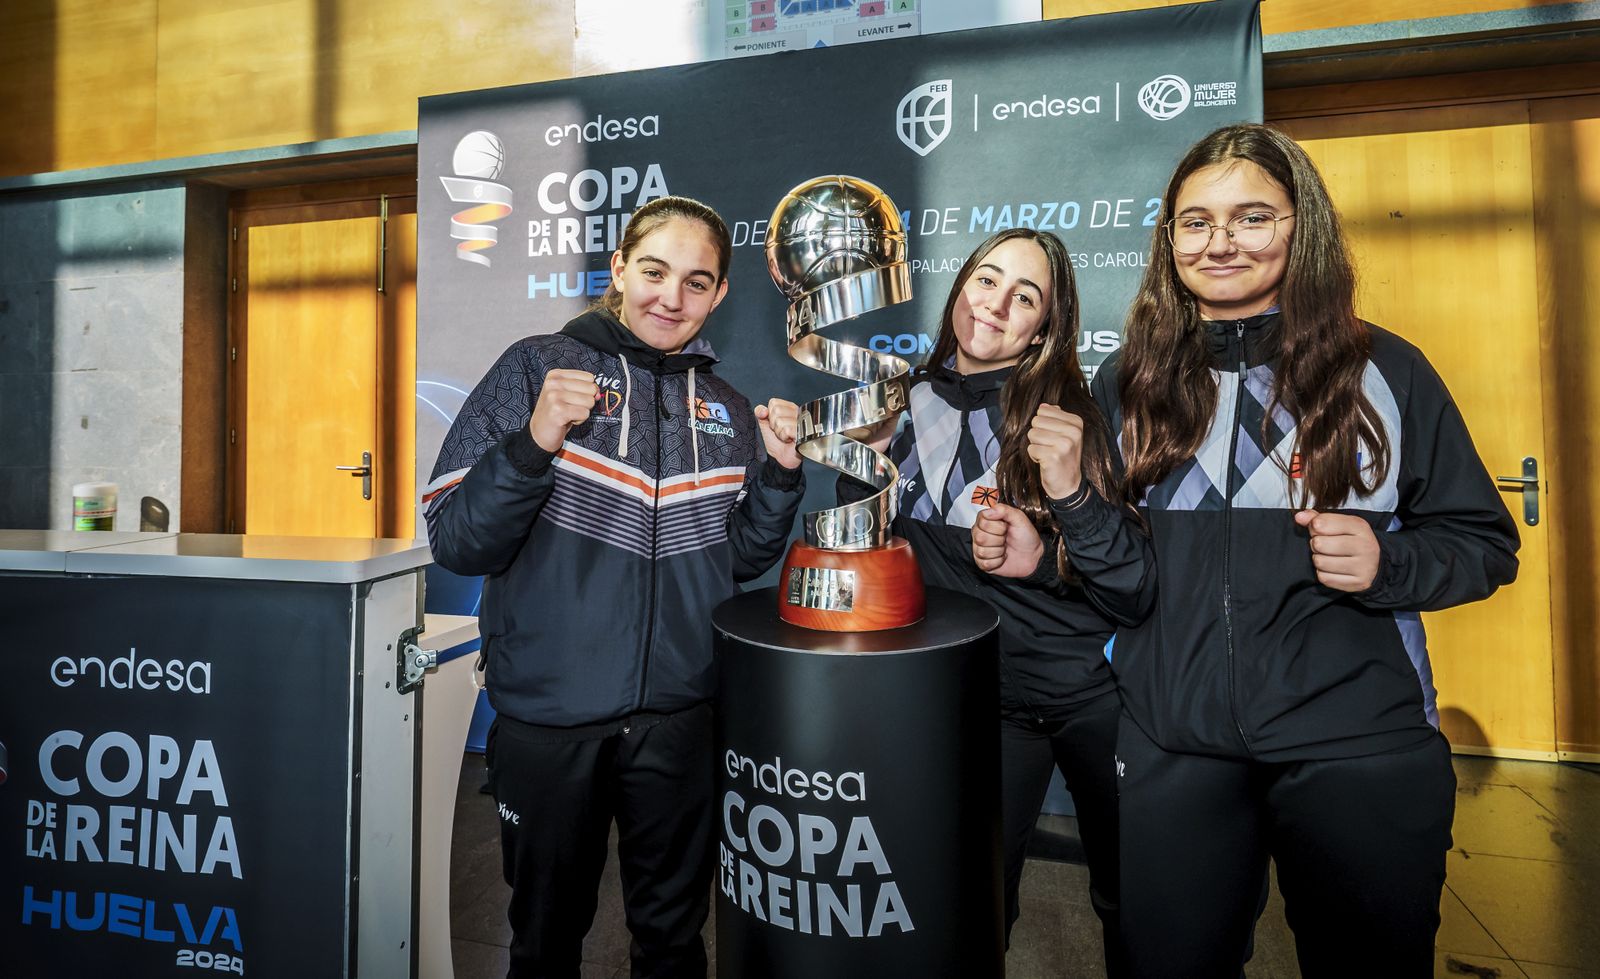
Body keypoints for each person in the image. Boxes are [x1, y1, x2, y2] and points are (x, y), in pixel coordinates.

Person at [979, 123, 1520, 977]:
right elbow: (1128, 588)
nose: (1220, 241)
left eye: (1251, 217)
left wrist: (1391, 565)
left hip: (1356, 748)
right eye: (1195, 222)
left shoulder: (1386, 368)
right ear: (1169, 240)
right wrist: (1074, 502)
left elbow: (1485, 541)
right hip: (1174, 746)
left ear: (1301, 227)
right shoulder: (1132, 381)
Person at [424, 195, 806, 979]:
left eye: (697, 282)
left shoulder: (729, 410)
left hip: (679, 719)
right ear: (619, 269)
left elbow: (736, 561)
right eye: (656, 271)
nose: (672, 297)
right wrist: (534, 443)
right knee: (545, 939)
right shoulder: (535, 367)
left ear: (720, 295)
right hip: (550, 718)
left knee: (670, 939)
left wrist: (781, 475)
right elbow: (458, 539)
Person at [841, 228, 1150, 975]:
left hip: (1092, 699)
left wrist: (1044, 558)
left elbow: (1132, 580)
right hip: (977, 708)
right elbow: (868, 548)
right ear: (960, 289)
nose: (997, 304)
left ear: (1045, 323)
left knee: (1135, 901)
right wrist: (860, 463)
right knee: (973, 902)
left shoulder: (1074, 412)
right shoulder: (895, 401)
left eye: (1025, 296)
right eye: (987, 280)